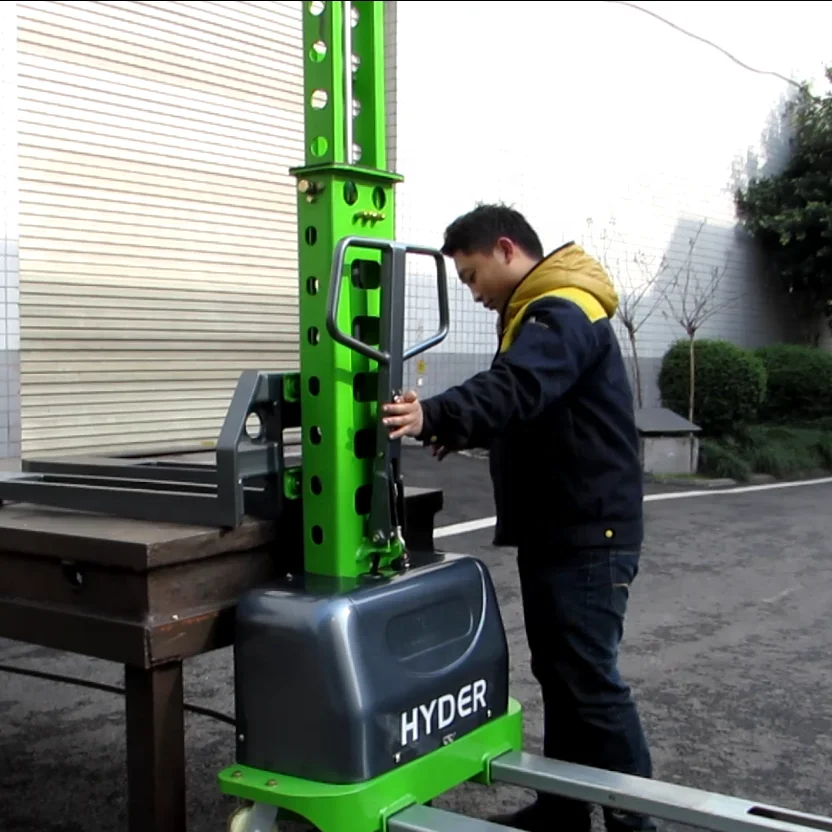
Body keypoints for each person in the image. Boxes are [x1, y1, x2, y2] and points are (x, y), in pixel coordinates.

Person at [381, 203, 655, 832]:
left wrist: (435, 415)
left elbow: (519, 386)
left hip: (587, 534)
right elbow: (536, 406)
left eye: (472, 275)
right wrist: (460, 429)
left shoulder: (561, 310)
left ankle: (635, 823)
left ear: (506, 249)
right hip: (563, 528)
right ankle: (563, 812)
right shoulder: (541, 310)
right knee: (562, 677)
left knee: (589, 683)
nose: (472, 292)